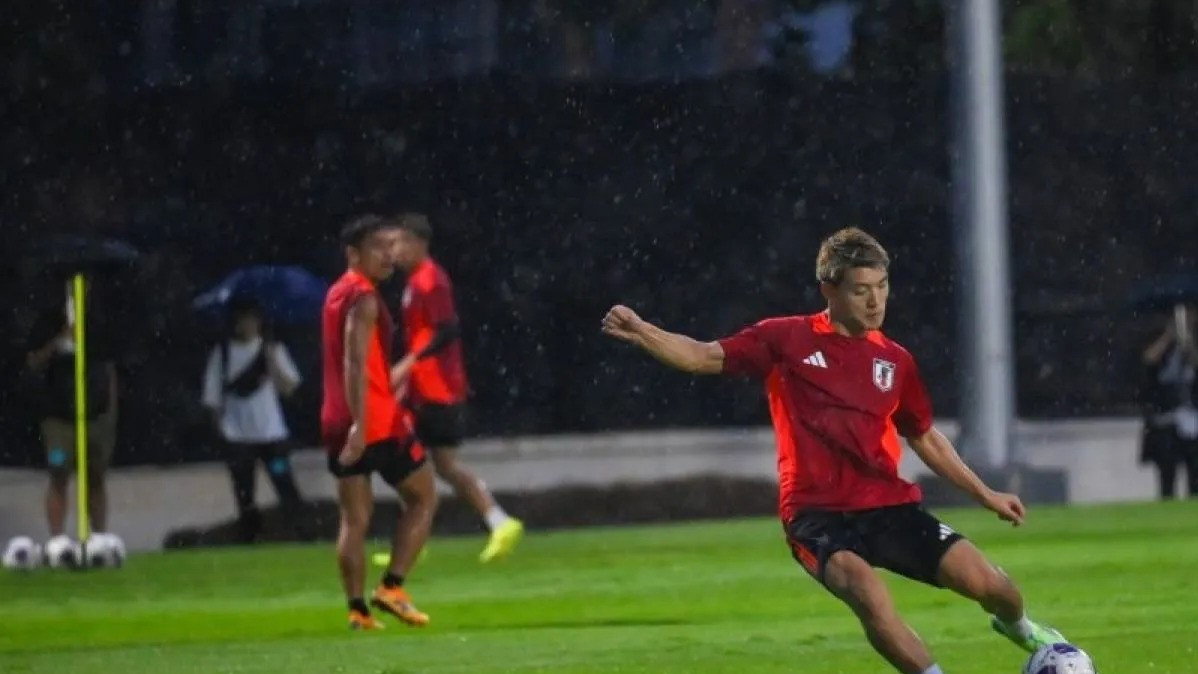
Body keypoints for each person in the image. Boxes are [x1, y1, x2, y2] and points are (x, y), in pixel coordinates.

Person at [601, 227, 1069, 674]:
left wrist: (985, 494)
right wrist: (644, 331)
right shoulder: (786, 339)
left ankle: (1020, 629)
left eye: (883, 286)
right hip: (817, 517)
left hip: (889, 508)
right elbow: (702, 356)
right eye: (861, 289)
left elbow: (923, 435)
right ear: (828, 289)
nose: (875, 300)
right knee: (869, 595)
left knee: (993, 586)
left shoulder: (895, 360)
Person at [321, 214, 437, 631]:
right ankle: (392, 587)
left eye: (392, 246)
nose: (390, 255)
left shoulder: (336, 293)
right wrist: (361, 423)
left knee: (354, 518)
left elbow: (354, 362)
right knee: (424, 496)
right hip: (375, 422)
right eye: (379, 248)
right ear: (353, 254)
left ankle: (357, 610)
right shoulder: (364, 298)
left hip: (335, 419)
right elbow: (355, 363)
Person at [389, 212, 524, 563]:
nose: (394, 251)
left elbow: (447, 328)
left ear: (418, 243)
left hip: (437, 391)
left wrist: (408, 363)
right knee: (437, 464)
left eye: (399, 243)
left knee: (403, 458)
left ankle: (419, 540)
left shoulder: (429, 280)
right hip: (429, 389)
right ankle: (497, 521)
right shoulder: (417, 281)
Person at [201, 296, 306, 542]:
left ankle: (299, 530)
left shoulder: (273, 349)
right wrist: (220, 432)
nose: (247, 326)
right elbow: (212, 397)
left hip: (271, 434)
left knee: (284, 482)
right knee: (244, 490)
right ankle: (250, 534)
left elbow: (289, 387)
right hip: (238, 436)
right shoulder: (223, 353)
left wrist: (270, 362)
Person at [25, 291, 118, 541]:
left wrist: (110, 410)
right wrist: (59, 341)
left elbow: (110, 366)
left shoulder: (100, 320)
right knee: (59, 473)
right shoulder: (48, 319)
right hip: (59, 419)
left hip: (96, 415)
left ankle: (98, 537)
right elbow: (33, 361)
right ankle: (57, 540)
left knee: (95, 477)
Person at [1138, 305, 1198, 499]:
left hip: (1192, 417)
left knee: (1195, 471)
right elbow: (1148, 359)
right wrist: (1169, 336)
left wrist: (1188, 343)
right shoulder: (1156, 334)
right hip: (1165, 417)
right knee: (1167, 472)